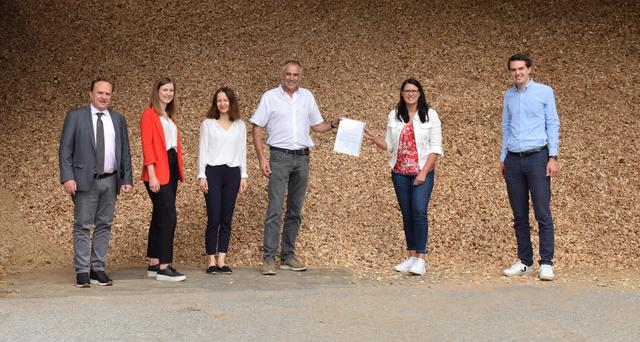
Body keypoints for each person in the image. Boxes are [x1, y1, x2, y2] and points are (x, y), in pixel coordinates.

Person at [251, 60, 339, 275]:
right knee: (275, 208)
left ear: (301, 76)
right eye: (288, 74)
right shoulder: (269, 97)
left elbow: (317, 126)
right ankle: (269, 258)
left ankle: (288, 256)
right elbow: (256, 128)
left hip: (302, 158)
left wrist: (334, 124)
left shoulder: (307, 97)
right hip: (279, 157)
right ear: (282, 75)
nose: (291, 78)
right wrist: (262, 159)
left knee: (295, 210)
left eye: (296, 75)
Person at [364, 78, 443, 276]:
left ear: (420, 93)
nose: (410, 94)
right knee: (407, 214)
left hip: (421, 172)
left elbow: (436, 148)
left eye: (414, 90)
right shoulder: (394, 115)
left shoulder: (430, 115)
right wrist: (374, 138)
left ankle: (421, 259)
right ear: (402, 93)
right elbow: (389, 146)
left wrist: (423, 173)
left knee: (419, 211)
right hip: (399, 172)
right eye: (407, 90)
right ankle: (411, 256)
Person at [59, 78, 133, 288]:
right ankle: (82, 270)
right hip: (84, 181)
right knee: (82, 225)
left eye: (107, 94)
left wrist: (126, 178)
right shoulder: (76, 117)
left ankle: (97, 268)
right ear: (90, 93)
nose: (103, 97)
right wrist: (67, 177)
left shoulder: (118, 119)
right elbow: (65, 150)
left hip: (110, 181)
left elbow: (125, 151)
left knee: (104, 225)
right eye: (99, 92)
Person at [500, 54, 560, 281]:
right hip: (514, 160)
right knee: (519, 214)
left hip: (538, 157)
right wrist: (503, 158)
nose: (517, 73)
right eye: (513, 70)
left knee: (542, 212)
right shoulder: (509, 95)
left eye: (521, 69)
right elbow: (506, 127)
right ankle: (525, 260)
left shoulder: (545, 92)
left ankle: (546, 262)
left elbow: (553, 123)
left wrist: (552, 156)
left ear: (530, 69)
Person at [198, 86, 248, 275]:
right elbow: (203, 150)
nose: (222, 103)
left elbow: (242, 151)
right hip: (213, 173)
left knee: (227, 218)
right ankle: (210, 260)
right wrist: (201, 175)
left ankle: (221, 260)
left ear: (231, 102)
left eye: (226, 100)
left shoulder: (240, 125)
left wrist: (244, 175)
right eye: (219, 100)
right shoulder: (208, 124)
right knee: (214, 217)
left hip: (232, 173)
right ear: (215, 103)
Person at [140, 76, 186, 282]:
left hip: (172, 167)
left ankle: (153, 261)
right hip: (157, 171)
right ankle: (164, 267)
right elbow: (147, 146)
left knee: (159, 215)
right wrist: (152, 175)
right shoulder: (149, 115)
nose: (168, 93)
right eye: (165, 90)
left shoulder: (169, 117)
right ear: (156, 91)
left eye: (171, 90)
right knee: (169, 216)